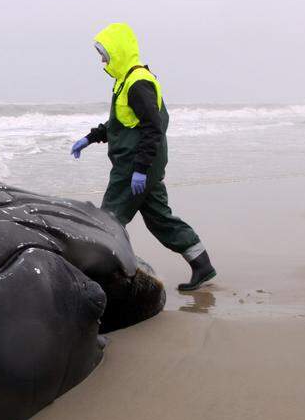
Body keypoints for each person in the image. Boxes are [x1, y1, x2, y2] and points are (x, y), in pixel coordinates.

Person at [71, 22, 216, 292]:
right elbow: (121, 123)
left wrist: (140, 168)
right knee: (160, 218)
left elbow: (153, 128)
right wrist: (90, 138)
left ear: (118, 51)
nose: (102, 61)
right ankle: (201, 263)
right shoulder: (126, 80)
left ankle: (105, 279)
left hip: (134, 166)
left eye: (105, 54)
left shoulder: (138, 83)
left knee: (109, 219)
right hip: (140, 164)